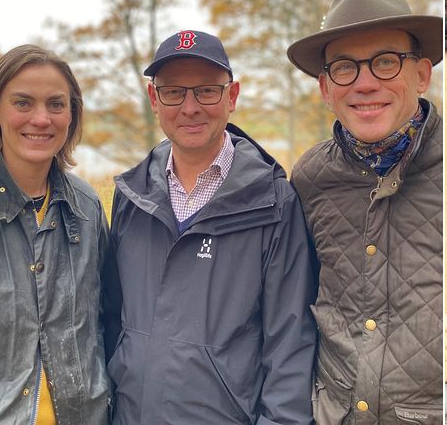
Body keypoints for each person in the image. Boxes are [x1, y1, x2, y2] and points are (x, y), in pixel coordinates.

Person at [103, 30, 317, 424]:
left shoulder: (273, 202)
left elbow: (290, 344)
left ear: (232, 97)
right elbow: (113, 320)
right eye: (173, 92)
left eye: (206, 91)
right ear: (154, 100)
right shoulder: (130, 196)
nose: (190, 108)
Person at [287, 0, 443, 424]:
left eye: (386, 62)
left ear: (421, 74)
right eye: (344, 68)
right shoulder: (309, 179)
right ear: (325, 87)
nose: (365, 83)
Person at [0, 45, 110, 424]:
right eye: (23, 103)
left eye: (56, 104)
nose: (41, 119)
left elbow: (104, 321)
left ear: (72, 114)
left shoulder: (86, 206)